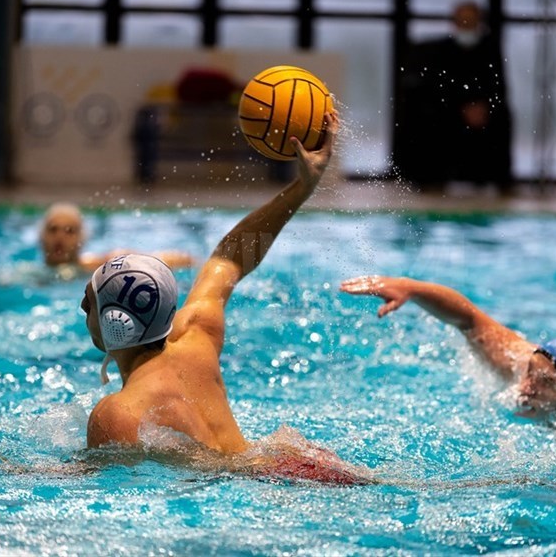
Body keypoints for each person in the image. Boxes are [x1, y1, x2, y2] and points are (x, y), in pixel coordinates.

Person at [80, 112, 371, 484]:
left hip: (260, 491)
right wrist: (302, 188)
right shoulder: (196, 337)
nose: (82, 309)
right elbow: (229, 258)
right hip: (282, 470)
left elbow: (99, 489)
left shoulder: (117, 413)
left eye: (90, 302)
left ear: (114, 322)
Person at [341, 275, 556, 447]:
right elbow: (468, 318)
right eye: (531, 371)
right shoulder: (520, 360)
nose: (525, 385)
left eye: (544, 382)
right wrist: (410, 288)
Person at [398, 0, 513, 193]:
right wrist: (461, 107)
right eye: (463, 21)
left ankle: (495, 179)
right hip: (449, 109)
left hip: (484, 110)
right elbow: (438, 86)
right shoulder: (442, 51)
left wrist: (484, 107)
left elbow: (498, 86)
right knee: (428, 116)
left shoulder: (490, 50)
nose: (466, 26)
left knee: (501, 117)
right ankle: (431, 178)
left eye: (471, 21)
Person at [40, 202, 193, 273]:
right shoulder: (29, 274)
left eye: (70, 231)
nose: (60, 237)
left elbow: (178, 260)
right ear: (41, 236)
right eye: (53, 230)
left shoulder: (99, 266)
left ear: (82, 239)